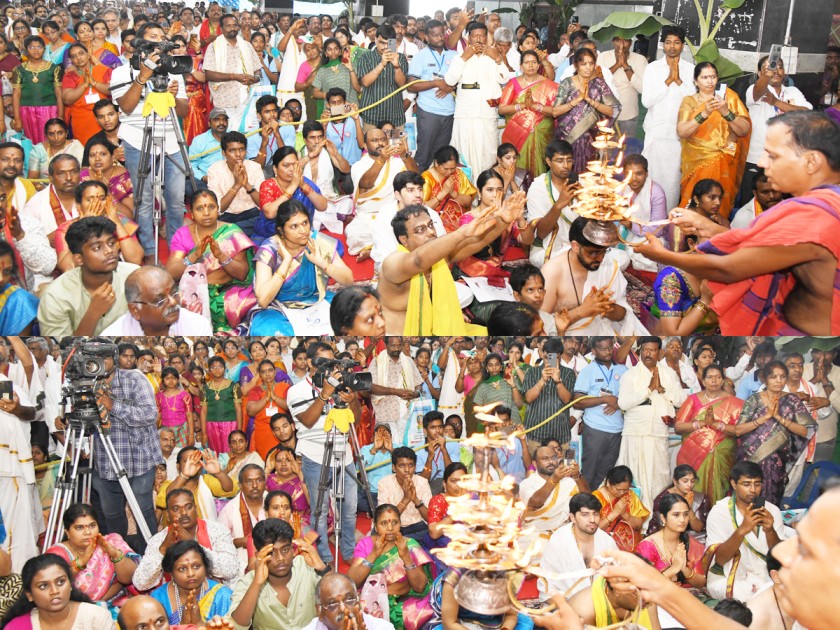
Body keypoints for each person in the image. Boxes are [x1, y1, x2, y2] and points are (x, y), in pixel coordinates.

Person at [379, 200, 523, 334]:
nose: (430, 232)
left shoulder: (438, 257)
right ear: (404, 240)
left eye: (430, 225)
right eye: (420, 230)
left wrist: (503, 221)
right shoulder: (393, 263)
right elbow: (417, 260)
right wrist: (461, 233)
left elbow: (476, 242)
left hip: (438, 331)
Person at [110, 21, 188, 262]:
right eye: (154, 37)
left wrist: (174, 98)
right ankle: (149, 249)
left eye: (162, 37)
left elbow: (183, 111)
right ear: (140, 44)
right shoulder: (121, 72)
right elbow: (124, 106)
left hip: (171, 140)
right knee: (143, 199)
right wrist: (142, 78)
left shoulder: (172, 69)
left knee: (176, 200)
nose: (160, 41)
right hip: (137, 139)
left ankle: (176, 251)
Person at [287, 342, 363, 564]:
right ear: (310, 363)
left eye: (333, 363)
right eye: (325, 363)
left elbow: (355, 421)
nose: (331, 368)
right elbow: (308, 421)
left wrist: (353, 400)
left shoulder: (341, 385)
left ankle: (348, 552)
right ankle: (324, 556)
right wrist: (325, 394)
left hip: (344, 454)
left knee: (349, 509)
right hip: (315, 456)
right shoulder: (296, 390)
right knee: (319, 511)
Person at [250, 198, 351, 335]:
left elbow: (349, 279)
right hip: (280, 308)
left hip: (316, 299)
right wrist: (285, 262)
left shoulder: (316, 241)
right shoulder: (269, 249)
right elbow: (263, 300)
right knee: (266, 331)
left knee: (351, 313)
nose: (303, 230)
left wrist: (321, 262)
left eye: (305, 223)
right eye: (294, 226)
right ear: (281, 231)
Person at [166, 189, 256, 332]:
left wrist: (221, 256)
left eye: (211, 207)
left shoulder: (231, 231)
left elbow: (242, 274)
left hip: (227, 295)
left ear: (218, 209)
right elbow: (171, 272)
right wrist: (194, 256)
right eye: (200, 208)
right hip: (193, 295)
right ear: (192, 213)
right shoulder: (182, 234)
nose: (206, 213)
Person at [616, 336, 685, 509]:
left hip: (658, 433)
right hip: (635, 434)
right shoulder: (629, 375)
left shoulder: (669, 374)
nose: (648, 353)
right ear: (639, 351)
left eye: (652, 350)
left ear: (660, 352)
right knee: (635, 476)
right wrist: (648, 390)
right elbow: (622, 403)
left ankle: (655, 518)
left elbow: (681, 399)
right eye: (645, 349)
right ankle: (633, 517)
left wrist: (662, 390)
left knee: (659, 477)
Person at [735, 360, 816, 505]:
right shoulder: (754, 400)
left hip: (777, 462)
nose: (779, 381)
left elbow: (805, 431)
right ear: (765, 379)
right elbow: (738, 430)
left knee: (771, 502)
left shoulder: (792, 400)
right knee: (747, 499)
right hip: (751, 459)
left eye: (782, 376)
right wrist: (765, 417)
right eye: (773, 377)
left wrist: (779, 417)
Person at [676, 62, 750, 218]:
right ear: (696, 81)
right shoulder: (689, 102)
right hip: (696, 161)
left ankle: (715, 237)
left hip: (725, 158)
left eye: (713, 76)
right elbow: (682, 131)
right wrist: (704, 113)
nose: (709, 81)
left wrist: (725, 111)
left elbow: (744, 129)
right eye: (704, 77)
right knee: (692, 206)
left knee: (718, 207)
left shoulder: (729, 98)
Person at [705, 461, 786, 601]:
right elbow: (719, 560)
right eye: (746, 484)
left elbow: (780, 556)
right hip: (730, 578)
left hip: (765, 576)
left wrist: (770, 530)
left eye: (757, 484)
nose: (753, 490)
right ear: (734, 484)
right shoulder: (720, 512)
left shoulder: (772, 511)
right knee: (749, 595)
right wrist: (742, 530)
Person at [347, 504, 436, 630]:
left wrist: (406, 557)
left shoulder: (409, 545)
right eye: (384, 523)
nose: (390, 528)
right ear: (375, 526)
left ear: (400, 524)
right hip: (370, 603)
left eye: (395, 522)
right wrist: (373, 554)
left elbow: (420, 587)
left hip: (404, 603)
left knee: (427, 610)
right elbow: (352, 581)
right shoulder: (366, 545)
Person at [229, 518, 328, 630]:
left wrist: (322, 569)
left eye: (285, 550)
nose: (280, 558)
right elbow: (236, 626)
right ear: (258, 556)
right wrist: (257, 583)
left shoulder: (306, 566)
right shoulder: (248, 582)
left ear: (292, 549)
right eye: (271, 553)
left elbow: (340, 597)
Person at [133, 488, 239, 592]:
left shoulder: (217, 530)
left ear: (196, 509)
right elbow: (141, 583)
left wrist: (195, 545)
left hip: (212, 596)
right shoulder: (159, 540)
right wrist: (163, 549)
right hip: (174, 599)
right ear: (168, 515)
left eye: (188, 507)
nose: (183, 513)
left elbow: (230, 570)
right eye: (176, 509)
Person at [740, 55, 811, 204]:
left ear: (785, 72)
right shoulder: (756, 89)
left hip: (786, 158)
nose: (776, 71)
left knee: (782, 203)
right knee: (750, 202)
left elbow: (807, 113)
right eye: (770, 67)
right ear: (760, 73)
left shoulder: (793, 91)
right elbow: (758, 92)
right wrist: (766, 77)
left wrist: (777, 102)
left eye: (779, 66)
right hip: (757, 158)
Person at [640, 25, 695, 209]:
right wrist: (668, 81)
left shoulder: (691, 70)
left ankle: (668, 227)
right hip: (655, 134)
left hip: (677, 137)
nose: (672, 46)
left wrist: (678, 80)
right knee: (650, 181)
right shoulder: (653, 68)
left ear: (683, 46)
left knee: (672, 185)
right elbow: (646, 101)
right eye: (668, 42)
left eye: (677, 43)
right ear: (663, 45)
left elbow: (694, 101)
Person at [445, 21, 507, 177]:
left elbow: (504, 78)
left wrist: (498, 59)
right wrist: (464, 58)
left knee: (488, 154)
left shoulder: (492, 56)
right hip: (465, 115)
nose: (479, 40)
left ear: (487, 38)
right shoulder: (460, 57)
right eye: (475, 36)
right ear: (468, 38)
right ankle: (467, 195)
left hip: (487, 115)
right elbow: (450, 81)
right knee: (464, 154)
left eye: (482, 36)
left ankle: (485, 192)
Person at [673, 366, 743, 504]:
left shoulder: (734, 402)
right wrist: (701, 423)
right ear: (703, 381)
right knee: (692, 491)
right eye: (710, 377)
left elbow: (739, 430)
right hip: (693, 452)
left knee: (720, 491)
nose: (714, 380)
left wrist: (718, 425)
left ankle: (717, 518)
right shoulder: (692, 399)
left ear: (723, 380)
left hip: (723, 453)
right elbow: (678, 426)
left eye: (718, 377)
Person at [46, 504, 138, 608]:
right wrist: (81, 563)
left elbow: (128, 579)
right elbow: (51, 586)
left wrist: (115, 554)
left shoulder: (111, 543)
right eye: (79, 528)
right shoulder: (57, 553)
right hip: (74, 610)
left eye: (92, 525)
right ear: (67, 532)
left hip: (117, 604)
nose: (88, 532)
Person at [347, 127, 419, 260]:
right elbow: (365, 184)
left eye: (383, 140)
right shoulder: (358, 165)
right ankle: (378, 248)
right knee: (354, 234)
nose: (380, 143)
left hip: (393, 214)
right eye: (374, 140)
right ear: (364, 145)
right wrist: (381, 160)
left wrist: (404, 155)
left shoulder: (397, 162)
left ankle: (373, 250)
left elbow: (415, 175)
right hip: (368, 217)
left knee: (407, 228)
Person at [573, 336, 629, 489]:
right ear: (593, 351)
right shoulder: (588, 371)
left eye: (610, 348)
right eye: (603, 349)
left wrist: (618, 403)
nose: (608, 352)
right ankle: (584, 504)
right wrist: (605, 400)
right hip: (595, 429)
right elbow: (577, 401)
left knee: (606, 475)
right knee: (588, 472)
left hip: (617, 429)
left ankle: (598, 505)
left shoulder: (623, 370)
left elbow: (631, 397)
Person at [552, 48, 620, 173]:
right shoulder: (567, 83)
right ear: (576, 65)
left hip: (589, 141)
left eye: (591, 63)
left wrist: (589, 100)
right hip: (566, 139)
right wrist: (577, 100)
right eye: (584, 64)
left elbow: (612, 111)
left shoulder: (599, 84)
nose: (588, 67)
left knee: (586, 177)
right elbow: (555, 112)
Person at [1, 554, 113, 628]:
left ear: (70, 584)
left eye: (60, 582)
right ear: (29, 595)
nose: (54, 591)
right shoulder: (17, 626)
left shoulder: (96, 617)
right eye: (43, 586)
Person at [540, 492, 618, 599]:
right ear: (572, 517)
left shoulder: (607, 541)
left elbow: (616, 578)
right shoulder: (559, 540)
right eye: (585, 514)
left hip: (600, 603)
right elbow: (547, 587)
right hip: (565, 602)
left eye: (595, 514)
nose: (592, 520)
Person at [102, 266, 213, 336]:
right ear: (135, 310)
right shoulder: (113, 335)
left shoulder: (198, 325)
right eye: (160, 300)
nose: (173, 302)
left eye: (174, 293)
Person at [498, 50, 558, 178]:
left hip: (542, 133)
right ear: (521, 66)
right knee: (517, 170)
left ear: (538, 65)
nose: (530, 65)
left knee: (541, 170)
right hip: (517, 132)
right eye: (527, 62)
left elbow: (556, 111)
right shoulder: (513, 83)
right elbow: (502, 109)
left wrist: (537, 107)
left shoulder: (549, 85)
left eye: (534, 62)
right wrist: (521, 106)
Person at [406, 20, 457, 172]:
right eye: (435, 35)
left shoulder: (454, 55)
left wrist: (451, 86)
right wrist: (437, 84)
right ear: (427, 37)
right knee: (423, 155)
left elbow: (461, 79)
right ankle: (417, 189)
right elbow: (412, 85)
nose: (439, 38)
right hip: (429, 112)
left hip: (449, 112)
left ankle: (436, 190)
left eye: (441, 34)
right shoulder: (420, 56)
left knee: (441, 157)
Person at [523, 139, 579, 267]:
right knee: (567, 262)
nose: (565, 165)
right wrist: (559, 204)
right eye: (560, 160)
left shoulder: (579, 183)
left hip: (579, 246)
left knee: (621, 258)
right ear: (548, 161)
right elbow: (540, 234)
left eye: (569, 160)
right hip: (548, 249)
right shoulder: (538, 187)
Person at [519, 445, 584, 554]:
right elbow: (536, 502)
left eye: (553, 457)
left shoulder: (566, 482)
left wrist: (577, 476)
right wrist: (554, 479)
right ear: (535, 463)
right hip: (534, 536)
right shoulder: (527, 484)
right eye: (545, 459)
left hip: (562, 535)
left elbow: (586, 498)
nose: (551, 462)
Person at [637, 493, 707, 592]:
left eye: (686, 514)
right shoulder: (648, 546)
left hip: (686, 596)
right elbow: (641, 586)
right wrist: (673, 569)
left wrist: (684, 569)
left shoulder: (690, 542)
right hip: (656, 601)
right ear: (663, 518)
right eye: (676, 515)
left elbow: (701, 583)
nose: (682, 520)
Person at [203, 14, 260, 131]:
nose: (232, 28)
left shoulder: (247, 46)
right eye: (228, 26)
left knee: (246, 133)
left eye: (234, 25)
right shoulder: (213, 47)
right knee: (228, 136)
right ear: (222, 28)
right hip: (224, 100)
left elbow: (257, 70)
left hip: (246, 99)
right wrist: (234, 77)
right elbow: (209, 75)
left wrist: (255, 79)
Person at [207, 130, 265, 238]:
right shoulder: (214, 170)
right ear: (224, 153)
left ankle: (234, 233)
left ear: (246, 151)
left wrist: (246, 184)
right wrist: (237, 185)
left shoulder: (255, 167)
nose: (238, 155)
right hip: (226, 217)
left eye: (241, 150)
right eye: (232, 150)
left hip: (252, 216)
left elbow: (262, 204)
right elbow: (219, 208)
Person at [354, 24, 409, 132]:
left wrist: (396, 66)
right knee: (373, 147)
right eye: (382, 43)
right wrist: (382, 64)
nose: (385, 47)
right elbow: (365, 82)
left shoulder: (400, 58)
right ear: (375, 40)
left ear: (393, 42)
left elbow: (402, 85)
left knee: (395, 147)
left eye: (389, 43)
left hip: (395, 117)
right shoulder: (366, 57)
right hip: (371, 117)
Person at [10, 36, 63, 145]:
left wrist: (61, 115)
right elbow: (16, 95)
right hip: (27, 111)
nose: (36, 50)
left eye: (39, 47)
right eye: (32, 47)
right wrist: (17, 119)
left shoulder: (54, 68)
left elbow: (59, 93)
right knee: (31, 142)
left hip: (50, 109)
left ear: (44, 48)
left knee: (51, 139)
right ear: (26, 49)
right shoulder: (19, 70)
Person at [218, 464, 267, 573]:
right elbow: (219, 541)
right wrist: (242, 542)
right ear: (240, 485)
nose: (255, 485)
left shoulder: (274, 502)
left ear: (265, 482)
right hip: (242, 566)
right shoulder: (230, 509)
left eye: (259, 480)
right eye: (249, 481)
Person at [376, 447, 434, 540]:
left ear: (415, 467)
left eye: (410, 465)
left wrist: (416, 500)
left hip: (419, 528)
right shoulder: (384, 483)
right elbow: (386, 519)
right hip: (393, 529)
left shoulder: (422, 482)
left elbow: (430, 518)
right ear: (394, 468)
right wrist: (406, 499)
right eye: (402, 466)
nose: (407, 470)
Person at [60, 43, 112, 145]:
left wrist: (95, 83)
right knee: (85, 150)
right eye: (74, 56)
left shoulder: (104, 70)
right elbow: (67, 99)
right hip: (81, 120)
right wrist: (84, 85)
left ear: (88, 54)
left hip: (104, 118)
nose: (78, 58)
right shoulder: (69, 76)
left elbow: (112, 90)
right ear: (71, 60)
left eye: (81, 53)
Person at [306, 572, 396, 630]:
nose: (343, 608)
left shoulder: (382, 627)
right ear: (319, 611)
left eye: (349, 599)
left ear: (358, 601)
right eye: (332, 604)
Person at [598, 36, 647, 139]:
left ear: (630, 42)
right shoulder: (603, 56)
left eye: (625, 40)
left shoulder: (640, 59)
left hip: (628, 113)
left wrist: (625, 65)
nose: (621, 44)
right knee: (605, 150)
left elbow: (643, 89)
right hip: (605, 113)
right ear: (612, 42)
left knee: (626, 150)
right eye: (618, 40)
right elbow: (597, 82)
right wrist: (617, 65)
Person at [593, 465, 650, 552]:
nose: (622, 493)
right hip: (604, 547)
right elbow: (593, 530)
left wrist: (625, 515)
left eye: (625, 489)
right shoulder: (596, 498)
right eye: (618, 489)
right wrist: (615, 513)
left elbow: (638, 526)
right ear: (608, 483)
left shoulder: (629, 496)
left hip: (630, 547)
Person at [244, 360, 290, 459]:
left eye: (270, 370)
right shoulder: (256, 390)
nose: (267, 374)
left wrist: (275, 398)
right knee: (265, 460)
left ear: (275, 372)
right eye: (263, 372)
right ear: (259, 374)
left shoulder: (285, 387)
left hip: (282, 431)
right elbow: (250, 411)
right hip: (263, 431)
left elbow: (290, 406)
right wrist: (265, 398)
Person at [81, 138, 133, 219]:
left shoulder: (125, 179)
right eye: (92, 155)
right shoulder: (82, 178)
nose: (97, 159)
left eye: (103, 154)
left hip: (119, 225)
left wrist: (106, 192)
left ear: (113, 157)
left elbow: (129, 217)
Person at [189, 108, 228, 184]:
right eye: (217, 120)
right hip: (207, 181)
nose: (221, 123)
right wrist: (203, 177)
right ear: (209, 123)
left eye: (224, 119)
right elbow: (191, 164)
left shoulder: (233, 137)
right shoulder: (199, 141)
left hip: (231, 179)